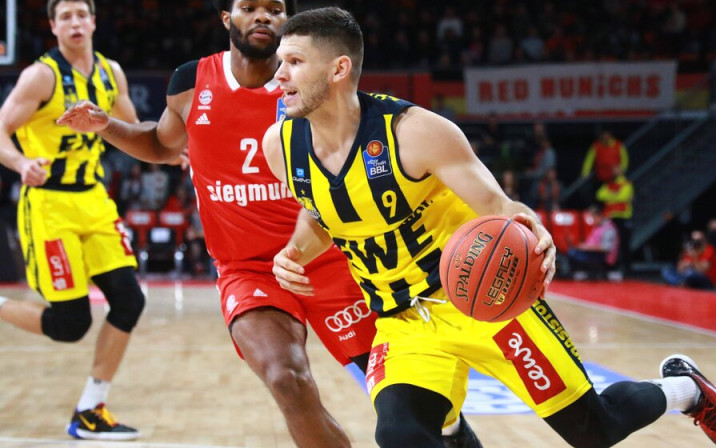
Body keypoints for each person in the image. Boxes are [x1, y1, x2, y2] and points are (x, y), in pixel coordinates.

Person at [264, 7, 716, 448]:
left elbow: (499, 204)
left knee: (594, 431)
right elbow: (324, 212)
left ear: (338, 68)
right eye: (279, 61)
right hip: (403, 320)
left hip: (486, 299)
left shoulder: (414, 132)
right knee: (401, 435)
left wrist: (534, 231)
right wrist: (295, 251)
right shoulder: (280, 147)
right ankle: (449, 421)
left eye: (293, 61)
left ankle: (686, 389)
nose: (278, 74)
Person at [56, 2, 481, 447]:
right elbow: (163, 145)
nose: (263, 16)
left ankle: (452, 432)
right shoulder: (190, 82)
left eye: (275, 8)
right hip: (249, 270)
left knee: (419, 405)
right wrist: (108, 126)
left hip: (334, 260)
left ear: (289, 23)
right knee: (285, 378)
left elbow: (346, 166)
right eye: (250, 7)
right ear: (227, 18)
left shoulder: (308, 88)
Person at [0, 0, 144, 440]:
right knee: (71, 324)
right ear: (53, 26)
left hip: (95, 201)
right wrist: (21, 163)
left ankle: (90, 409)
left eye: (82, 14)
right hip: (49, 205)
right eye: (66, 16)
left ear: (95, 22)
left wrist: (172, 150)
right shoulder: (41, 76)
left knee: (129, 300)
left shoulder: (110, 73)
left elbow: (133, 131)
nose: (75, 22)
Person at [595, 166, 634, 275]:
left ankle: (626, 269)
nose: (614, 170)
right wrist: (615, 196)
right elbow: (599, 195)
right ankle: (612, 267)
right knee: (611, 244)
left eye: (617, 168)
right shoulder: (608, 184)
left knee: (624, 244)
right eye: (613, 169)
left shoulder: (626, 184)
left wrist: (610, 196)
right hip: (611, 218)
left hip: (623, 217)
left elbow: (623, 197)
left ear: (622, 170)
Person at [565, 205, 619, 280]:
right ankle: (577, 273)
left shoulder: (608, 229)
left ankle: (580, 273)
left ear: (599, 216)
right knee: (572, 251)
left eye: (593, 218)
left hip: (603, 256)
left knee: (573, 253)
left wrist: (587, 247)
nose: (592, 220)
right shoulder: (596, 227)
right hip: (592, 252)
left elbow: (606, 248)